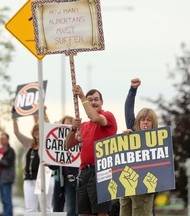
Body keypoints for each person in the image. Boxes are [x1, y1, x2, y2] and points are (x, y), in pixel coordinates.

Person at [65, 85, 117, 216]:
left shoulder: (107, 116)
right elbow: (67, 145)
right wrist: (73, 128)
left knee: (102, 212)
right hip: (84, 172)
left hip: (101, 170)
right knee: (85, 212)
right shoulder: (84, 126)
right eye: (90, 99)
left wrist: (82, 97)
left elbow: (96, 118)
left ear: (101, 102)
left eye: (96, 99)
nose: (93, 102)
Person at [120, 78, 158, 216]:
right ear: (138, 122)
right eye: (143, 119)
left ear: (154, 123)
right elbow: (128, 110)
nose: (145, 123)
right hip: (126, 186)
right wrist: (132, 90)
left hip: (144, 188)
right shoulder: (132, 132)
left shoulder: (158, 141)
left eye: (149, 120)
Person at [13, 115, 54, 212]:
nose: (37, 132)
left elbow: (50, 127)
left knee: (45, 207)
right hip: (29, 178)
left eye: (40, 130)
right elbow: (16, 133)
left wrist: (44, 113)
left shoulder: (47, 143)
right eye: (36, 130)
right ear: (33, 133)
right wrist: (14, 118)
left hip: (43, 178)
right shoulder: (29, 143)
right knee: (30, 209)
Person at [50, 115, 79, 216]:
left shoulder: (79, 139)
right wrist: (49, 161)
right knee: (69, 210)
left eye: (71, 125)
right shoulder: (59, 143)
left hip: (79, 179)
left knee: (80, 210)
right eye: (66, 125)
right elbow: (55, 166)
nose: (68, 127)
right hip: (65, 181)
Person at [0, 132, 16, 216]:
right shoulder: (0, 151)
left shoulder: (10, 151)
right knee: (3, 200)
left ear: (7, 140)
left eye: (3, 139)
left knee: (7, 199)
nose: (2, 140)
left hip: (7, 178)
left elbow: (7, 163)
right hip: (0, 177)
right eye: (1, 139)